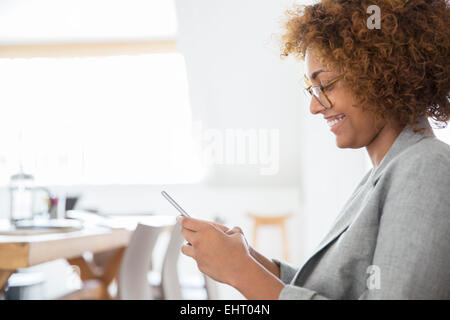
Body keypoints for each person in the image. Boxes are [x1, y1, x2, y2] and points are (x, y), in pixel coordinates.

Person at [177, 0, 450, 299]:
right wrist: (250, 259)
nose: (314, 106)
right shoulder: (386, 173)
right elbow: (337, 289)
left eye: (327, 85)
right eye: (312, 89)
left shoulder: (427, 166)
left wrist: (240, 271)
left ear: (383, 75)